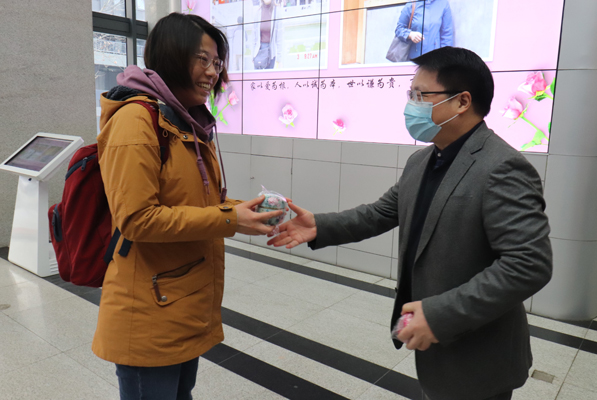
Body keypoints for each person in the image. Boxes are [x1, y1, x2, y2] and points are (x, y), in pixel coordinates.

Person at [268, 47, 552, 400]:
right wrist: (320, 226)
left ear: (462, 102)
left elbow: (529, 264)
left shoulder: (502, 167)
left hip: (480, 355)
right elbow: (379, 213)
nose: (411, 105)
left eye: (421, 95)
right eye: (410, 94)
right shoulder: (422, 161)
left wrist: (439, 314)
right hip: (435, 350)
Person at [91, 13, 282, 400]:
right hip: (148, 311)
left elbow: (198, 203)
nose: (213, 72)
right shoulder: (136, 120)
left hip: (178, 303)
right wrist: (229, 218)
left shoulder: (184, 121)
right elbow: (137, 219)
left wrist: (245, 210)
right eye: (202, 59)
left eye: (217, 62)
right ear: (172, 56)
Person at [253, 0, 283, 70]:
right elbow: (254, 36)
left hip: (271, 52)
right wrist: (253, 56)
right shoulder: (257, 12)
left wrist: (279, 59)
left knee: (269, 75)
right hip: (259, 51)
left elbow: (279, 38)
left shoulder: (277, 12)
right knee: (257, 76)